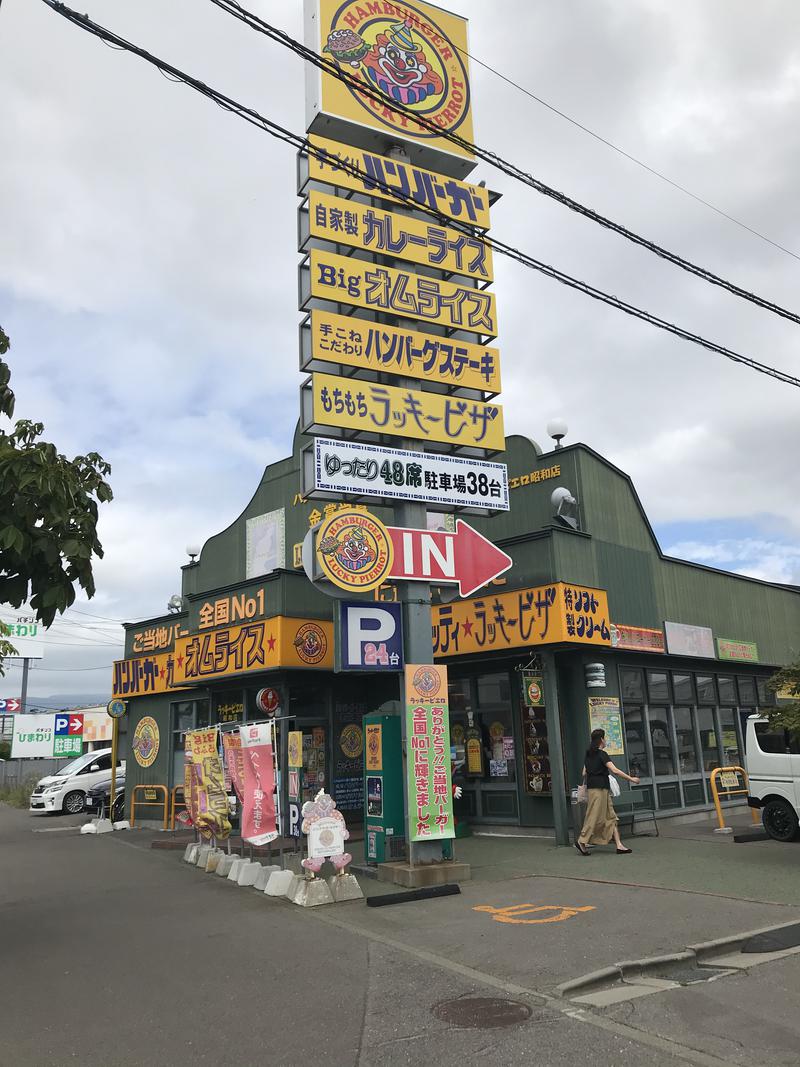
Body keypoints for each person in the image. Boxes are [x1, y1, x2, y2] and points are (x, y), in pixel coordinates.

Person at [575, 728, 640, 856]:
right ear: (601, 740)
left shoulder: (589, 755)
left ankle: (619, 845)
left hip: (597, 789)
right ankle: (582, 840)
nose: (605, 741)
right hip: (599, 790)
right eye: (604, 738)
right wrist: (631, 778)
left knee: (611, 816)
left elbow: (584, 772)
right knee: (593, 815)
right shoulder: (602, 754)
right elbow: (615, 770)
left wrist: (594, 770)